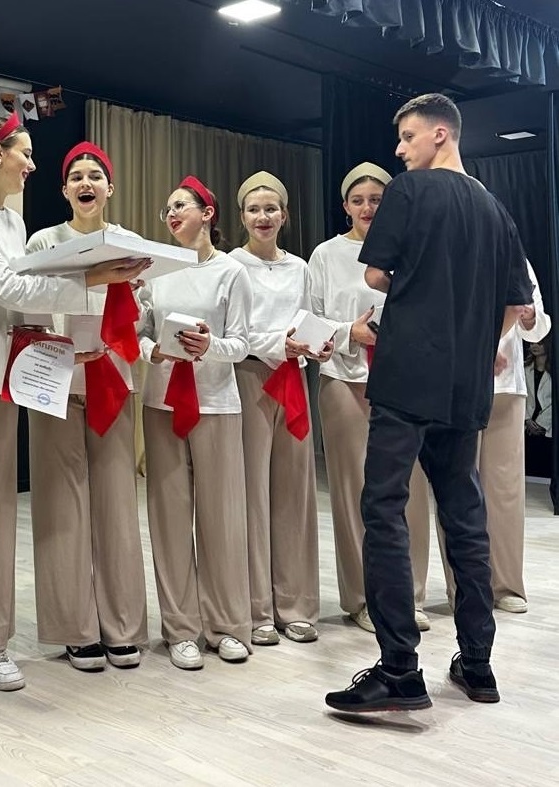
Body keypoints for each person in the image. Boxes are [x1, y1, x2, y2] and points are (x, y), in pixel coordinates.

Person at [0, 114, 147, 705]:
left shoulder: (11, 220)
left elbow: (22, 307)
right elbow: (6, 287)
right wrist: (95, 278)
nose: (33, 165)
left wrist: (66, 345)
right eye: (26, 153)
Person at [325, 93, 532, 712]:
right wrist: (478, 346)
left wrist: (416, 289)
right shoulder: (497, 210)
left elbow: (374, 276)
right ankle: (477, 664)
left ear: (441, 134)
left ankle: (399, 670)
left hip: (408, 371)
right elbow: (515, 304)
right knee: (464, 515)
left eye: (408, 137)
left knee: (384, 508)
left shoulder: (410, 192)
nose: (399, 150)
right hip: (466, 383)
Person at [25, 142, 148, 671]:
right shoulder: (44, 241)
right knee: (62, 507)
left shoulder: (129, 244)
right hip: (55, 381)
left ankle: (122, 626)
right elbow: (28, 308)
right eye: (76, 175)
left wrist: (136, 299)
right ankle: (75, 629)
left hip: (112, 380)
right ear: (64, 190)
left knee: (117, 506)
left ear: (109, 188)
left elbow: (144, 316)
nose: (85, 182)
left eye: (94, 175)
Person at [308, 162, 433, 634]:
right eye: (358, 200)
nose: (367, 208)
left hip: (404, 382)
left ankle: (410, 594)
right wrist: (350, 333)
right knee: (353, 491)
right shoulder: (325, 255)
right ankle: (362, 598)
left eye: (377, 199)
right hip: (344, 380)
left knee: (409, 489)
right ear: (345, 206)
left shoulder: (412, 247)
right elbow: (310, 318)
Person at [138, 175, 253, 669]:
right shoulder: (156, 271)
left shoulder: (232, 272)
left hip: (216, 404)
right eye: (167, 208)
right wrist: (154, 351)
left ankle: (226, 625)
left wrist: (210, 346)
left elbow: (242, 343)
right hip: (162, 402)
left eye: (180, 205)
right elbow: (138, 334)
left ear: (207, 214)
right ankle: (180, 629)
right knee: (168, 518)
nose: (171, 214)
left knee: (221, 519)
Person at [228, 171, 330, 645]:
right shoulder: (232, 265)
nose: (263, 217)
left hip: (293, 378)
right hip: (249, 377)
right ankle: (256, 608)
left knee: (294, 492)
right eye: (254, 209)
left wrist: (318, 343)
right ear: (242, 217)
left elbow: (310, 318)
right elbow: (233, 329)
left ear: (285, 215)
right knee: (252, 492)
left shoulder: (300, 268)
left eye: (271, 209)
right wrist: (277, 344)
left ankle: (296, 604)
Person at [438, 266, 549, 617]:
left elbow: (539, 327)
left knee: (505, 492)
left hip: (507, 387)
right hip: (457, 382)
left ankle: (506, 585)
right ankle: (462, 587)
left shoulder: (517, 260)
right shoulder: (450, 248)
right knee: (457, 489)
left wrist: (530, 317)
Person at [524, 340, 552, 476]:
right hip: (526, 427)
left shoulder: (554, 370)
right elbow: (519, 397)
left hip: (547, 428)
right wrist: (527, 419)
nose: (534, 346)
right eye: (531, 343)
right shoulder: (523, 369)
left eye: (539, 343)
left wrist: (542, 423)